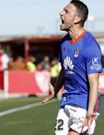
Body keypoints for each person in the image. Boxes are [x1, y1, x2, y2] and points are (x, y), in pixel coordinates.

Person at [42, 0, 102, 135]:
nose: (61, 13)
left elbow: (94, 83)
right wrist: (55, 90)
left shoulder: (90, 46)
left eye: (66, 11)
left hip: (84, 103)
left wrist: (90, 112)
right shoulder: (64, 42)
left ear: (77, 19)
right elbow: (65, 70)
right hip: (67, 101)